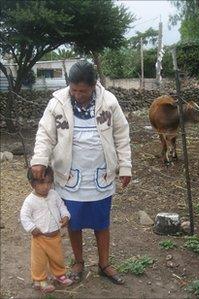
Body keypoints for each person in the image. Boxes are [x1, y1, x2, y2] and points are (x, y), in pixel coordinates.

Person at [30, 60, 132, 285]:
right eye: (74, 90)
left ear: (94, 85)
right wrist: (39, 159)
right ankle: (78, 262)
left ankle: (104, 264)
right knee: (73, 223)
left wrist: (125, 166)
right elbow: (45, 134)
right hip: (69, 177)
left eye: (83, 91)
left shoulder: (109, 102)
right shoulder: (57, 103)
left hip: (100, 176)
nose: (77, 95)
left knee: (101, 223)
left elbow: (121, 135)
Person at [20, 166, 73, 293]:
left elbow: (61, 206)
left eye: (49, 182)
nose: (46, 186)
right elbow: (24, 216)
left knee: (57, 257)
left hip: (55, 235)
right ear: (33, 184)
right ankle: (40, 280)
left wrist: (66, 215)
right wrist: (32, 228)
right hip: (40, 237)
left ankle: (59, 275)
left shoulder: (54, 195)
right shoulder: (30, 201)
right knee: (39, 260)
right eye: (42, 183)